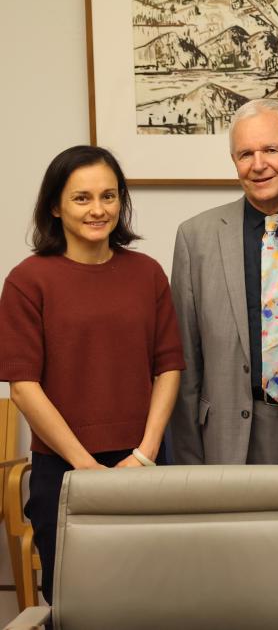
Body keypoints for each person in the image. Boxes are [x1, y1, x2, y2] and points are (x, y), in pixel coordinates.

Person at [0, 146, 184, 603]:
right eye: (82, 198)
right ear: (54, 207)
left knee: (153, 601)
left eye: (109, 196)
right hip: (62, 470)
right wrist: (85, 467)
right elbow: (23, 387)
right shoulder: (28, 280)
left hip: (143, 466)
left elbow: (169, 366)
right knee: (76, 605)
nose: (98, 209)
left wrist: (145, 454)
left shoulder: (147, 274)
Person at [168, 99, 278, 465]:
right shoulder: (196, 237)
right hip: (228, 435)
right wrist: (190, 462)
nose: (258, 165)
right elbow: (186, 360)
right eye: (245, 154)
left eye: (271, 150)